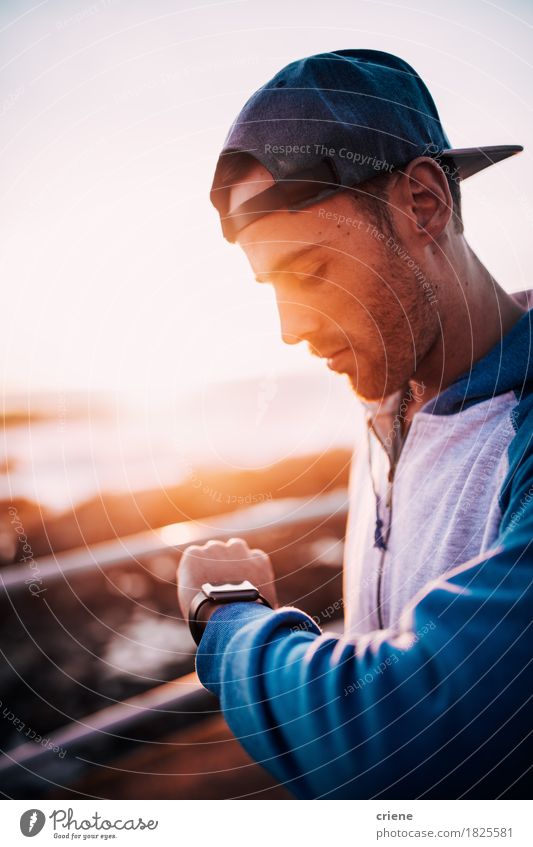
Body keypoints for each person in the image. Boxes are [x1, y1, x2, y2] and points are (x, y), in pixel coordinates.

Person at [177, 50, 532, 799]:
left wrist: (229, 620)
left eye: (308, 272)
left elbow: (416, 738)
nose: (288, 329)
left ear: (423, 205)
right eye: (271, 288)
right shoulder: (381, 399)